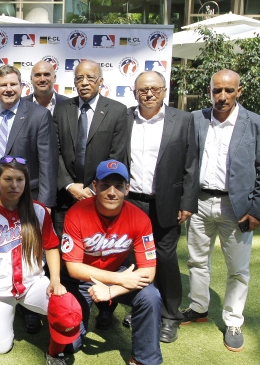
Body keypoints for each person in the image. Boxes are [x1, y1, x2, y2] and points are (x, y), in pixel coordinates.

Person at [182, 69, 260, 352]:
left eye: (229, 90)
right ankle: (199, 306)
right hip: (200, 203)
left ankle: (233, 320)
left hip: (236, 207)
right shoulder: (195, 120)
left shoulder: (254, 123)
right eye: (217, 90)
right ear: (209, 92)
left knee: (238, 269)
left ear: (239, 91)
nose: (222, 96)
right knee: (196, 260)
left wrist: (256, 209)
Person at [61, 159, 162, 365]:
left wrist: (112, 290)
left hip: (117, 273)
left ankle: (144, 359)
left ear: (127, 189)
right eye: (105, 185)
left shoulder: (140, 218)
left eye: (118, 186)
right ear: (95, 187)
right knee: (70, 345)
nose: (112, 192)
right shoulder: (77, 213)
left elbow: (149, 271)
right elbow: (73, 267)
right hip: (80, 280)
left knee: (150, 296)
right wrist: (119, 279)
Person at [123, 71, 199, 343]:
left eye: (155, 89)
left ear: (165, 91)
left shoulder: (183, 120)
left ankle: (170, 315)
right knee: (136, 259)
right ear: (135, 93)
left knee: (165, 260)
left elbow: (192, 164)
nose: (149, 94)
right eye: (143, 90)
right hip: (133, 203)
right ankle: (142, 308)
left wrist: (188, 202)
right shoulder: (126, 118)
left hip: (168, 203)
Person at [54, 60, 128, 329]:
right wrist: (68, 184)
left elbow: (117, 156)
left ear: (100, 81)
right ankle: (71, 307)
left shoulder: (118, 111)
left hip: (103, 199)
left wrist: (97, 190)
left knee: (103, 255)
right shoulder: (62, 109)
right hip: (67, 199)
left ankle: (106, 307)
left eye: (90, 78)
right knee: (70, 258)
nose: (84, 82)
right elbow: (56, 151)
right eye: (79, 78)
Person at [0, 155, 69, 364]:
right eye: (8, 179)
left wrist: (55, 279)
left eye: (19, 180)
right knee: (0, 347)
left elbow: (52, 247)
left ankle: (55, 353)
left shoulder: (38, 210)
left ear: (26, 183)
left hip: (33, 284)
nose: (14, 185)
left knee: (66, 308)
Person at [20, 59, 69, 333]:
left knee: (52, 246)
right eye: (37, 75)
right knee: (29, 247)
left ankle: (54, 295)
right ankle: (29, 307)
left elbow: (55, 157)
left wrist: (49, 201)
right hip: (26, 190)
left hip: (55, 191)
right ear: (31, 78)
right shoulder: (22, 105)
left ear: (54, 77)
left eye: (46, 74)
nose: (42, 79)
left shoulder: (67, 106)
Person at [0, 65, 58, 209]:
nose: (8, 89)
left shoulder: (39, 116)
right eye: (3, 85)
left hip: (27, 198)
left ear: (21, 87)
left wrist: (45, 205)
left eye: (13, 84)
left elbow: (48, 164)